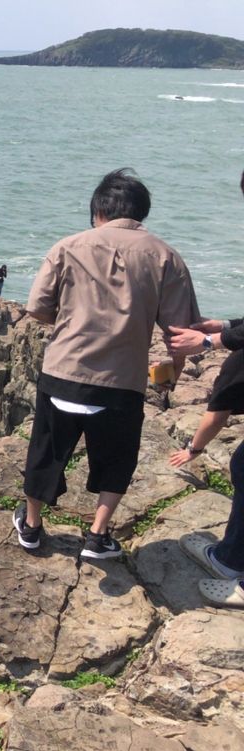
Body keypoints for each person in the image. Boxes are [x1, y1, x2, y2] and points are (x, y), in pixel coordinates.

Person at [11, 168, 200, 559]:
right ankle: (97, 535)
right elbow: (180, 333)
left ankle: (31, 527)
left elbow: (37, 309)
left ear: (98, 210)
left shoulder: (67, 247)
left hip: (64, 372)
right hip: (122, 381)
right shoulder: (167, 257)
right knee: (117, 458)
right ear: (141, 212)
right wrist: (173, 374)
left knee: (46, 452)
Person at [165, 167, 244, 608]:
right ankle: (230, 556)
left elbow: (218, 411)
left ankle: (232, 568)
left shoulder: (234, 374)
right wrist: (231, 325)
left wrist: (211, 340)